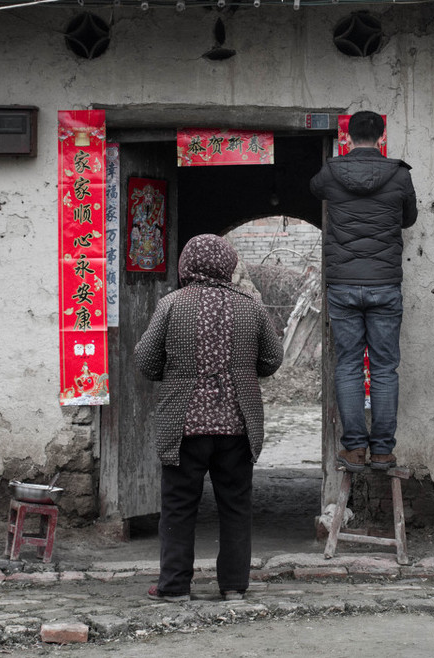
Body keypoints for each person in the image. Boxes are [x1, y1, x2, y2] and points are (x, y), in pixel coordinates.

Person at [133, 233, 283, 602]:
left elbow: (146, 361)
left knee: (179, 507)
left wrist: (176, 370)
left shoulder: (172, 304)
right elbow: (273, 359)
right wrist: (245, 369)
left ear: (187, 265)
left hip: (186, 426)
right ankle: (233, 585)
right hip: (237, 424)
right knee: (236, 506)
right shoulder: (251, 307)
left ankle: (174, 587)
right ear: (228, 265)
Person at [310, 111, 418, 473]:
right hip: (385, 284)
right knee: (386, 368)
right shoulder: (399, 175)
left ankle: (355, 450)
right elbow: (408, 218)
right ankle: (383, 452)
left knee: (349, 366)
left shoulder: (330, 172)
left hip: (342, 285)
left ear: (348, 136)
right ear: (382, 135)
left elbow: (314, 189)